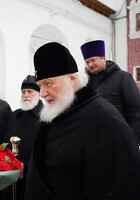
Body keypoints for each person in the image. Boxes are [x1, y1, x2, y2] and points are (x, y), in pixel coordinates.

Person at [25, 42, 140, 200]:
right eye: (40, 86)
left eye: (48, 83)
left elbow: (121, 188)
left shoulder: (107, 121)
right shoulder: (58, 111)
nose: (43, 94)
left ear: (72, 79)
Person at [81, 40, 140, 141]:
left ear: (103, 59)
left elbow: (136, 110)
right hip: (95, 139)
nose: (90, 64)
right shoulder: (86, 82)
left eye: (93, 60)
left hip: (120, 137)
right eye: (87, 62)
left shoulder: (123, 77)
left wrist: (134, 138)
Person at [3, 75, 43, 200]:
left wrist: (26, 167)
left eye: (30, 91)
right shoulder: (14, 115)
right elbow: (5, 142)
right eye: (23, 92)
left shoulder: (46, 117)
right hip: (12, 175)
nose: (26, 95)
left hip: (36, 176)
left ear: (39, 94)